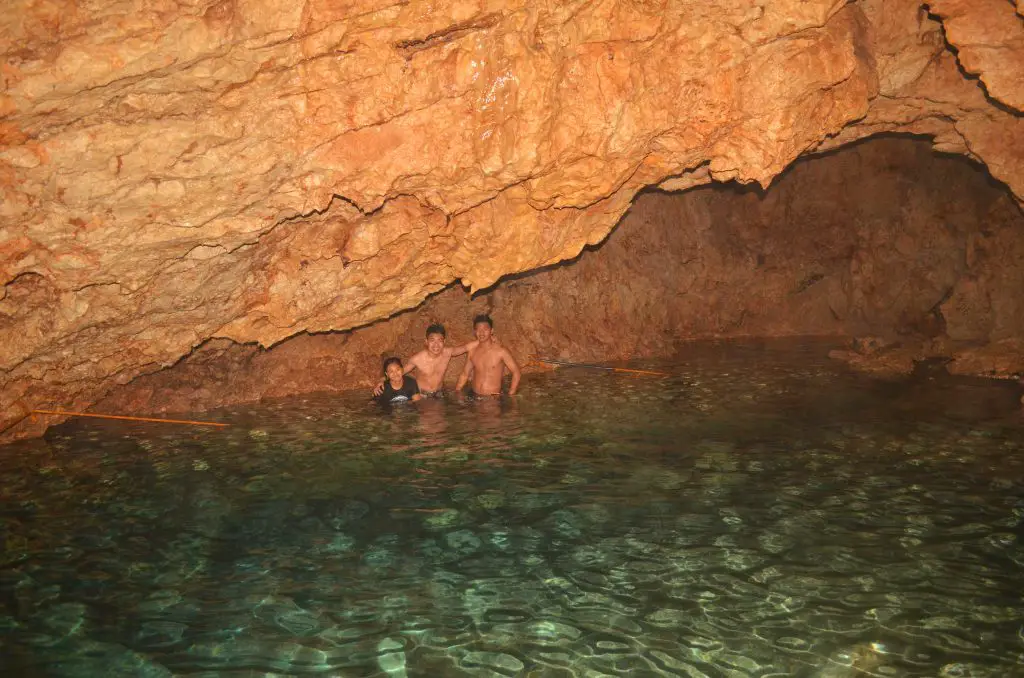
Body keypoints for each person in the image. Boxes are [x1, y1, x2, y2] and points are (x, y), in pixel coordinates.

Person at [373, 323, 484, 397]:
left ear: (444, 341)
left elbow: (465, 347)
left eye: (439, 340)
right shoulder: (417, 359)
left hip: (439, 394)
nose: (436, 345)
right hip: (422, 395)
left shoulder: (447, 352)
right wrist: (381, 380)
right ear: (426, 341)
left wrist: (483, 339)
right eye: (432, 340)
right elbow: (399, 372)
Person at [455, 314, 521, 397]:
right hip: (474, 395)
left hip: (493, 398)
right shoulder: (472, 351)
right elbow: (465, 374)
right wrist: (457, 392)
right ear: (475, 332)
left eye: (485, 329)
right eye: (478, 329)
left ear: (491, 331)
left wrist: (511, 394)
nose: (481, 333)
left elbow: (516, 372)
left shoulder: (501, 351)